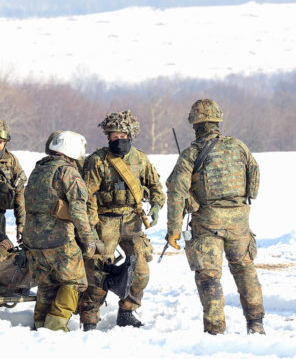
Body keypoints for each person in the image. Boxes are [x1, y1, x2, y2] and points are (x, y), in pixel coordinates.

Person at [165, 99, 264, 335]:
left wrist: (174, 229)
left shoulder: (191, 153)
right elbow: (254, 182)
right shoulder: (239, 147)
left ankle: (215, 330)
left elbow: (176, 191)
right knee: (245, 270)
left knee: (209, 277)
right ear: (218, 121)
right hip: (239, 222)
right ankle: (256, 323)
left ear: (195, 125)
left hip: (208, 223)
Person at [78, 110, 165, 330]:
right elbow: (87, 199)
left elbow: (156, 187)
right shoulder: (97, 161)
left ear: (130, 135)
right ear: (108, 138)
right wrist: (92, 231)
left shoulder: (140, 159)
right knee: (97, 269)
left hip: (131, 221)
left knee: (140, 270)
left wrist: (155, 206)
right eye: (113, 137)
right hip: (104, 220)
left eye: (122, 136)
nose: (118, 140)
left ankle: (127, 310)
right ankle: (89, 318)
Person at [24, 131, 97, 332]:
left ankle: (40, 326)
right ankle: (55, 327)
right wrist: (88, 240)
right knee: (75, 281)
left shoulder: (38, 169)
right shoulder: (68, 172)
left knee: (47, 284)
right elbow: (78, 210)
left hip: (34, 241)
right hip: (59, 240)